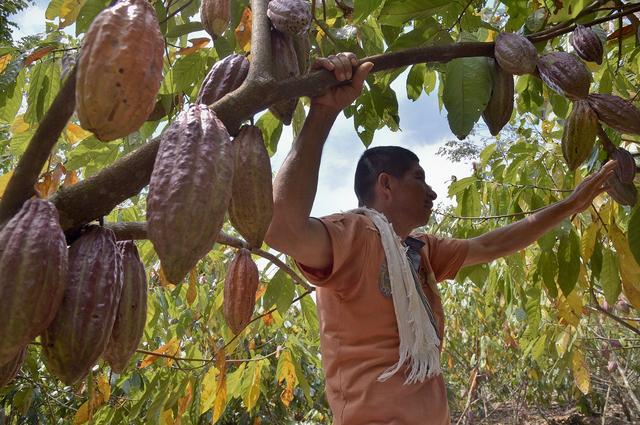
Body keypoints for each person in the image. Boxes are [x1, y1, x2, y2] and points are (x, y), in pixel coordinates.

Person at [264, 52, 616, 425]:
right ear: (386, 184)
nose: (432, 193)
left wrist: (569, 205)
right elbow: (281, 228)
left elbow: (492, 244)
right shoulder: (353, 234)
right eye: (419, 179)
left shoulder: (419, 248)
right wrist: (324, 111)